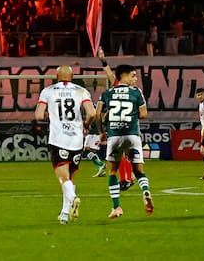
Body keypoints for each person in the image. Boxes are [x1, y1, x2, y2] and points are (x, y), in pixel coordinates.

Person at [95, 48, 154, 219]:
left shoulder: (108, 92)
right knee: (140, 172)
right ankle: (145, 191)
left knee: (112, 171)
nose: (136, 79)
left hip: (113, 136)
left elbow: (97, 114)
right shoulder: (136, 92)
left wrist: (101, 132)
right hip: (132, 135)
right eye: (133, 76)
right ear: (124, 76)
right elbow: (143, 114)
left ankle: (117, 207)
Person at [34, 65, 96, 225]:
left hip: (58, 138)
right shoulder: (81, 91)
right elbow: (92, 113)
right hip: (76, 139)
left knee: (63, 177)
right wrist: (86, 125)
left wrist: (50, 114)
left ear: (56, 76)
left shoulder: (48, 91)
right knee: (70, 178)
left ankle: (74, 198)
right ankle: (64, 214)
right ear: (72, 76)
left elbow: (39, 115)